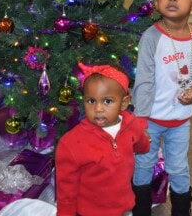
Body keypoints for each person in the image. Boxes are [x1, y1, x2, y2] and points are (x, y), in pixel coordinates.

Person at [131, 0, 192, 216]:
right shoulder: (152, 38)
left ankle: (181, 209)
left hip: (180, 121)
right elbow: (143, 80)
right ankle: (140, 208)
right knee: (143, 164)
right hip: (151, 120)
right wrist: (140, 121)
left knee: (178, 167)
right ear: (156, 2)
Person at [55, 62, 150, 216]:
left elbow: (141, 144)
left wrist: (144, 143)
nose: (98, 109)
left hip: (123, 207)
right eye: (91, 101)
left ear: (124, 103)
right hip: (90, 211)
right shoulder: (71, 143)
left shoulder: (132, 125)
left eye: (107, 101)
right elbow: (66, 188)